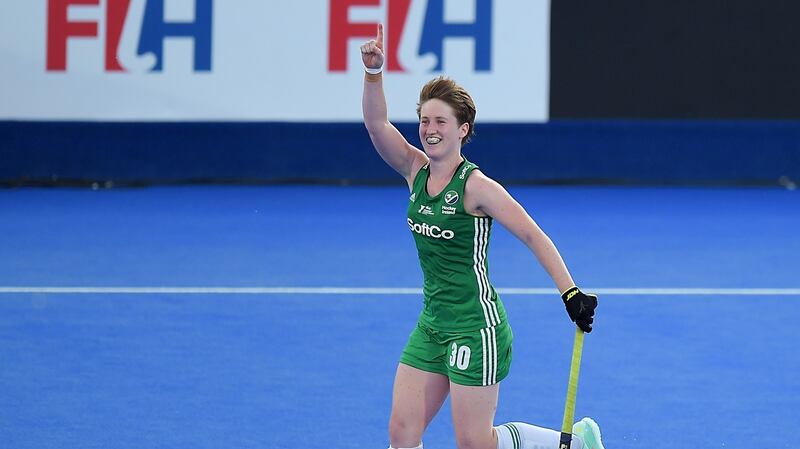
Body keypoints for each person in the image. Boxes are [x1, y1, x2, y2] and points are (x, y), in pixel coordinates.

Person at [360, 24, 603, 449]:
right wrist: (374, 74)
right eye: (424, 120)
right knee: (402, 432)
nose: (429, 128)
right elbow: (377, 124)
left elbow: (531, 233)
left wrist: (570, 293)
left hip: (477, 328)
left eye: (441, 121)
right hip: (432, 325)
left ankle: (575, 443)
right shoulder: (414, 170)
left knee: (475, 442)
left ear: (463, 130)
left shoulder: (477, 188)